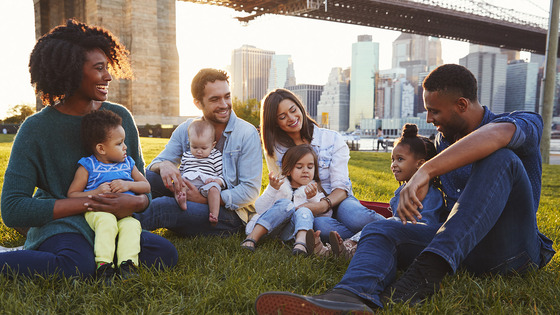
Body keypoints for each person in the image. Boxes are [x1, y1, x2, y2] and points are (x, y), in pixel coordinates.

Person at [254, 64, 555, 313]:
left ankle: (429, 270)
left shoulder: (521, 121)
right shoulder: (442, 143)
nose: (428, 119)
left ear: (461, 105)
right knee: (380, 229)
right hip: (463, 252)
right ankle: (349, 298)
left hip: (513, 251)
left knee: (500, 158)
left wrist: (425, 170)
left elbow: (498, 135)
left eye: (434, 111)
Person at [0, 19, 177, 279]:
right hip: (63, 225)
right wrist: (91, 202)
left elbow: (141, 188)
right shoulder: (36, 128)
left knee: (165, 254)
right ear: (71, 72)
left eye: (108, 67)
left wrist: (133, 201)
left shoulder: (119, 117)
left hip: (113, 224)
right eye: (99, 68)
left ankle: (92, 255)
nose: (109, 75)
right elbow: (13, 208)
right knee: (77, 266)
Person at [134, 68, 262, 236]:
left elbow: (250, 191)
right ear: (198, 103)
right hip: (187, 193)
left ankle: (116, 229)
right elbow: (156, 164)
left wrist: (202, 199)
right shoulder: (187, 128)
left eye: (227, 96)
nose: (224, 105)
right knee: (148, 179)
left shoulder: (246, 133)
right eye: (215, 99)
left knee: (165, 207)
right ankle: (106, 215)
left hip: (228, 214)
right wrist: (164, 165)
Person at [260, 88, 385, 243]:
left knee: (357, 217)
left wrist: (323, 205)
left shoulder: (331, 139)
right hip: (309, 207)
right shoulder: (276, 150)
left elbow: (341, 187)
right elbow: (283, 191)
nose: (291, 118)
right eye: (282, 117)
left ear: (300, 107)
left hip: (339, 200)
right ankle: (365, 240)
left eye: (293, 110)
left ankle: (395, 228)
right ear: (275, 123)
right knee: (321, 227)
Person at [308, 123, 444, 260]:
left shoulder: (432, 195)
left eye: (400, 159)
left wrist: (394, 226)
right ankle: (341, 248)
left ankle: (343, 249)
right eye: (392, 159)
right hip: (391, 234)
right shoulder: (400, 193)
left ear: (420, 164)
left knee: (380, 226)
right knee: (321, 224)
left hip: (407, 241)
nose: (393, 165)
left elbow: (426, 229)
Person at [67, 110, 150, 281]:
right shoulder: (88, 165)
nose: (125, 147)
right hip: (98, 213)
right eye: (119, 143)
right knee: (107, 221)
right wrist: (96, 192)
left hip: (125, 213)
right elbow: (72, 195)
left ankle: (128, 265)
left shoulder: (128, 163)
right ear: (101, 148)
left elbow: (146, 186)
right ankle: (104, 265)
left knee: (132, 226)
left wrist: (128, 184)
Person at [241, 144, 327, 255]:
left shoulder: (314, 190)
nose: (305, 171)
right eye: (299, 167)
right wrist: (272, 189)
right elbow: (259, 209)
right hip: (267, 227)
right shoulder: (279, 185)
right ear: (288, 170)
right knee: (285, 204)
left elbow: (323, 215)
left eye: (310, 167)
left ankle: (301, 243)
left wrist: (312, 199)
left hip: (289, 233)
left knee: (305, 210)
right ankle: (252, 237)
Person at [174, 119, 225, 226]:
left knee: (214, 190)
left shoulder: (215, 156)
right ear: (189, 143)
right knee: (178, 184)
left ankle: (214, 214)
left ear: (213, 145)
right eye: (194, 147)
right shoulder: (187, 155)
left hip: (206, 184)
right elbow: (181, 171)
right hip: (188, 182)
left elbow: (222, 175)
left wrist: (217, 181)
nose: (198, 151)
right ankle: (181, 201)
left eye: (203, 148)